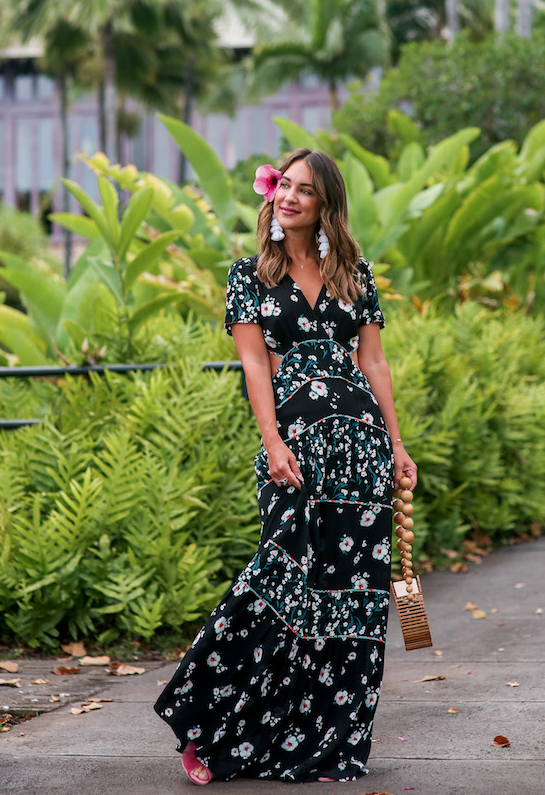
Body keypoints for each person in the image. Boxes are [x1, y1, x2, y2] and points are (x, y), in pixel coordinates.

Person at [154, 148, 416, 785]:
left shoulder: (356, 272)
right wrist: (272, 441)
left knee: (351, 601)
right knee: (277, 584)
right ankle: (208, 729)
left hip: (360, 455)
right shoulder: (250, 276)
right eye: (283, 186)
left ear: (326, 203)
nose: (289, 197)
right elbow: (254, 366)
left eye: (305, 190)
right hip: (295, 448)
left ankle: (328, 748)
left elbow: (374, 363)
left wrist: (398, 443)